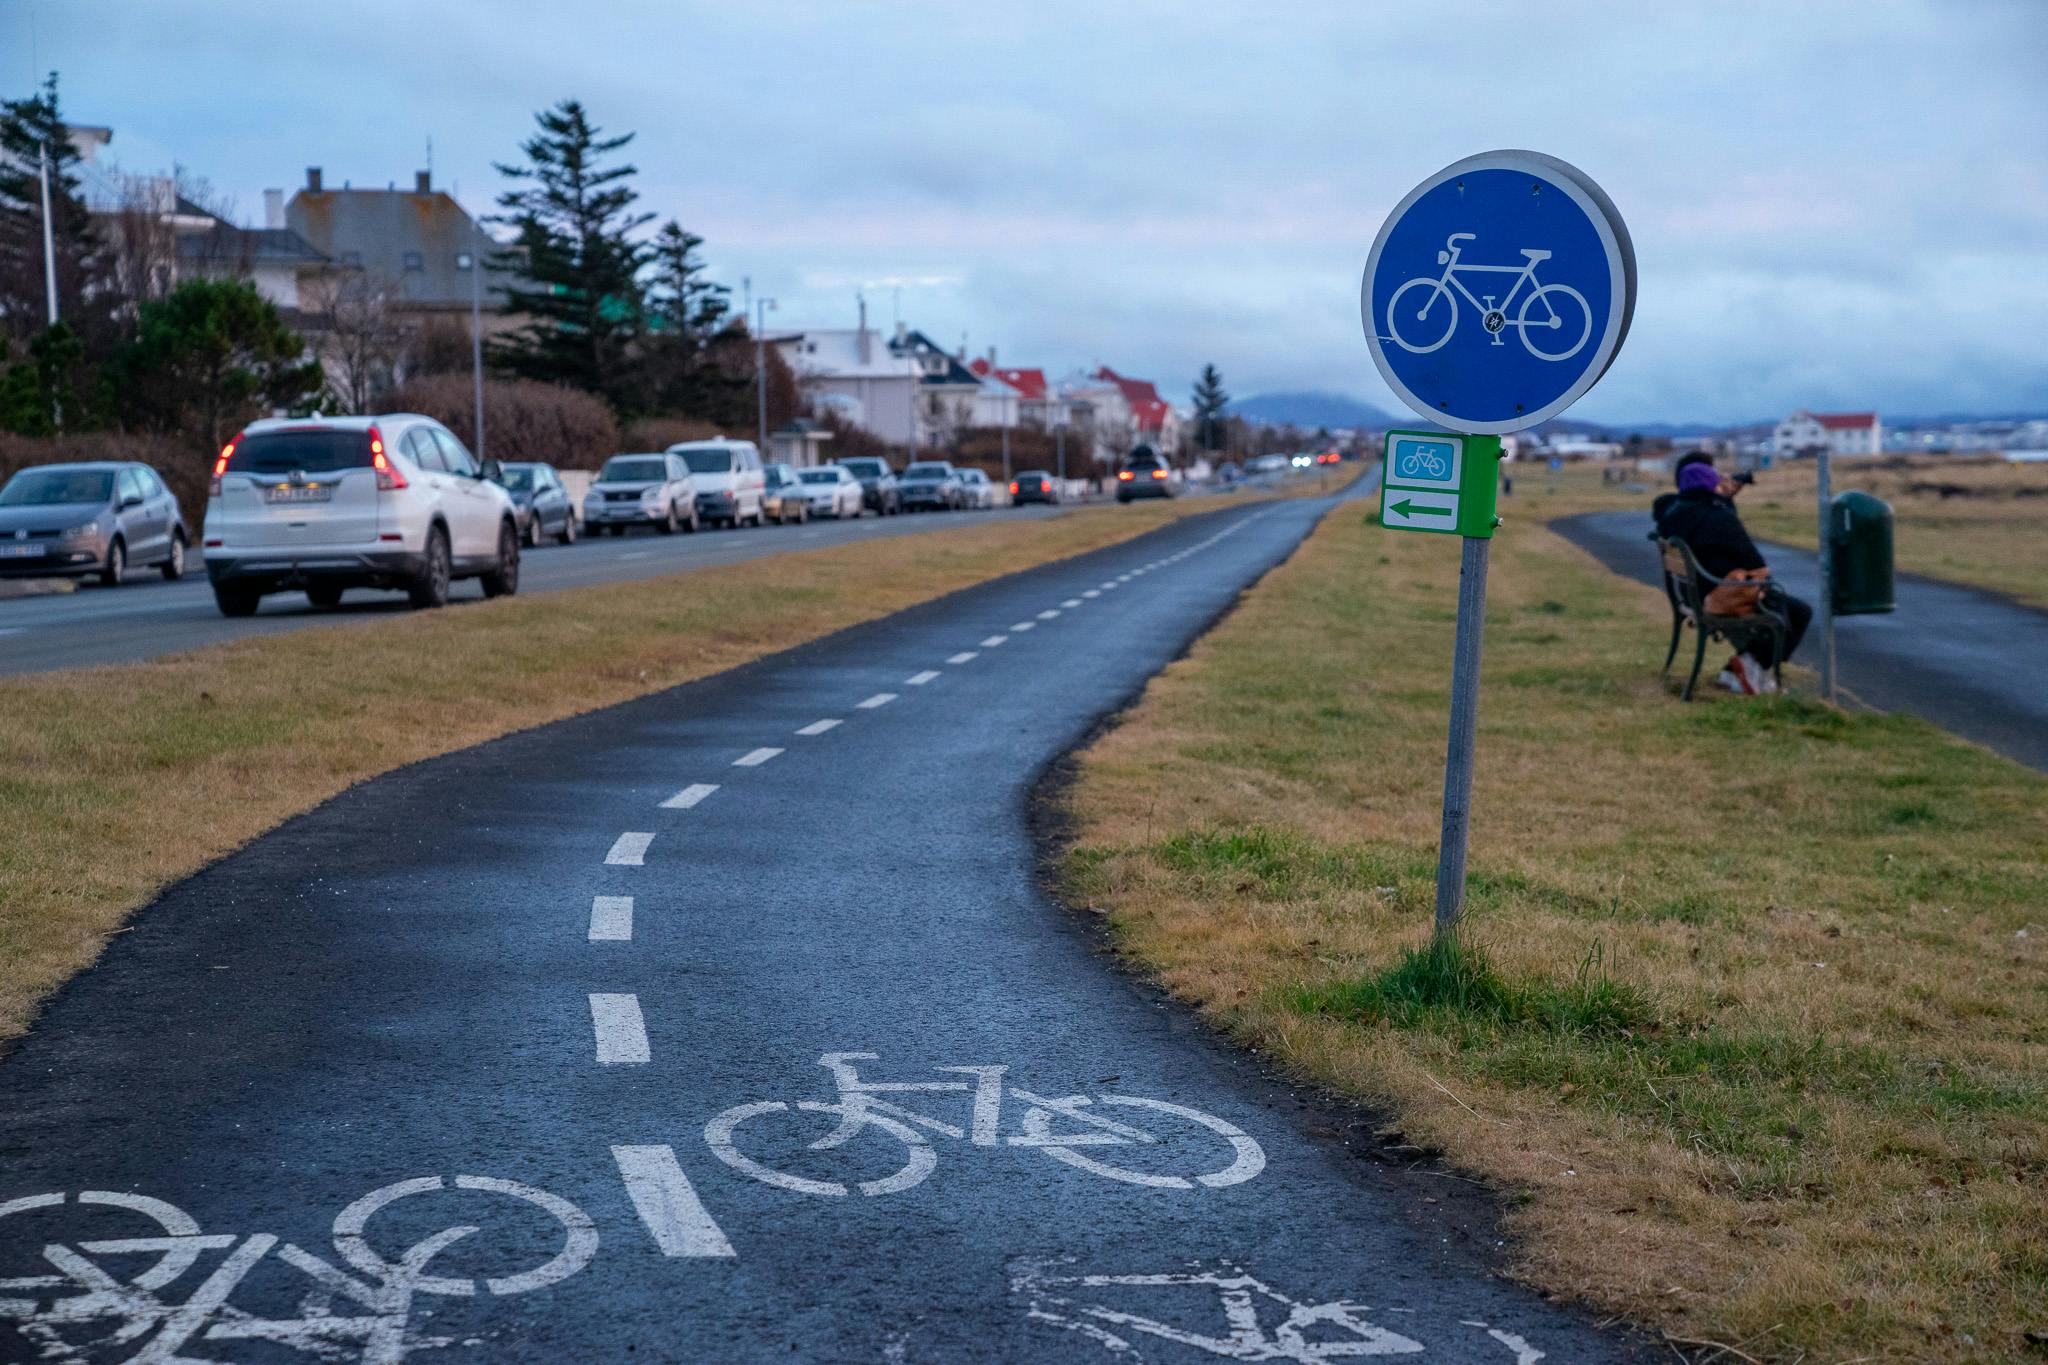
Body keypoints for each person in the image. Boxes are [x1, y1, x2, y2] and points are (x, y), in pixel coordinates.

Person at [1653, 454, 1811, 696]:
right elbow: (1757, 564)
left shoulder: (1671, 514)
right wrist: (1725, 503)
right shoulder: (1719, 517)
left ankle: (1734, 670)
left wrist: (1720, 499)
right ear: (1712, 485)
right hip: (1719, 596)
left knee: (1782, 605)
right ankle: (1750, 664)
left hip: (1690, 594)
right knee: (1797, 611)